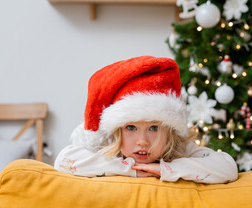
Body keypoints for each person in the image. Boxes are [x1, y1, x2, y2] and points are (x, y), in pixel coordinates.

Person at [54, 56, 238, 183]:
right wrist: (129, 169)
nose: (142, 141)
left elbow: (227, 168)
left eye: (154, 128)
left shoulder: (178, 148)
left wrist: (166, 170)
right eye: (131, 128)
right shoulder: (109, 146)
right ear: (118, 130)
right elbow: (63, 160)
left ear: (169, 130)